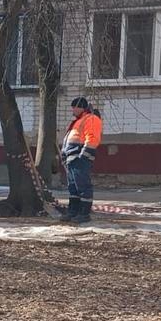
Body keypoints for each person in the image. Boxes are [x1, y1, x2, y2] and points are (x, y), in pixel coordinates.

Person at [60, 96, 102, 225]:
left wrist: (83, 156)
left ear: (81, 108)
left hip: (80, 158)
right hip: (72, 158)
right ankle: (73, 211)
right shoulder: (78, 121)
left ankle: (84, 213)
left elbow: (92, 138)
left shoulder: (91, 119)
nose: (72, 110)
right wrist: (64, 154)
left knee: (83, 186)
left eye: (74, 107)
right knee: (73, 187)